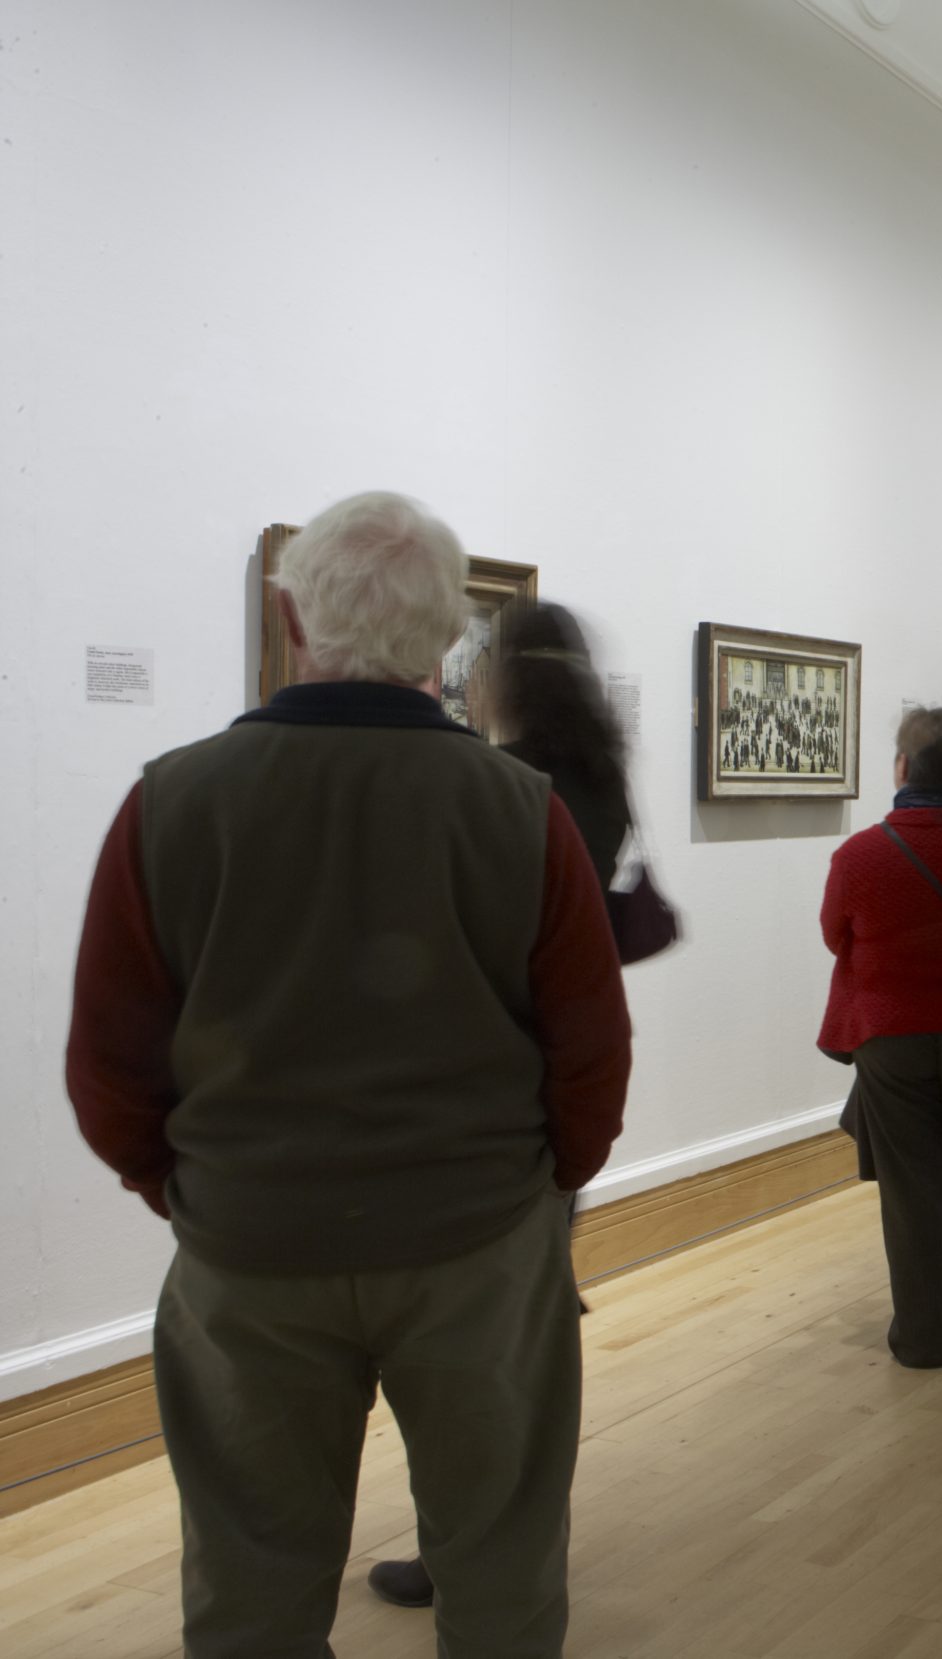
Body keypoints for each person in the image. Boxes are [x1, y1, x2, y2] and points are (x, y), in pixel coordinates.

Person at [65, 492, 632, 1658]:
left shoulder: (171, 801)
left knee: (249, 1579)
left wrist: (181, 1184)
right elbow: (591, 1048)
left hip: (252, 1248)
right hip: (476, 1241)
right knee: (501, 1558)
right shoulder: (518, 810)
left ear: (289, 614)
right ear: (446, 638)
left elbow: (109, 1060)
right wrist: (540, 1184)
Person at [368, 599, 639, 1614]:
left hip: (486, 1092)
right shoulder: (593, 779)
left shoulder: (510, 789)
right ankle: (496, 1558)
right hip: (546, 1086)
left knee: (473, 1361)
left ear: (506, 675)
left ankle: (469, 1560)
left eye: (474, 658)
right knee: (511, 1347)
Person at [818, 708, 942, 1369]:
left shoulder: (859, 855)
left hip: (892, 1033)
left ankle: (926, 1335)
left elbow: (834, 934)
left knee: (911, 1188)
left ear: (902, 768)